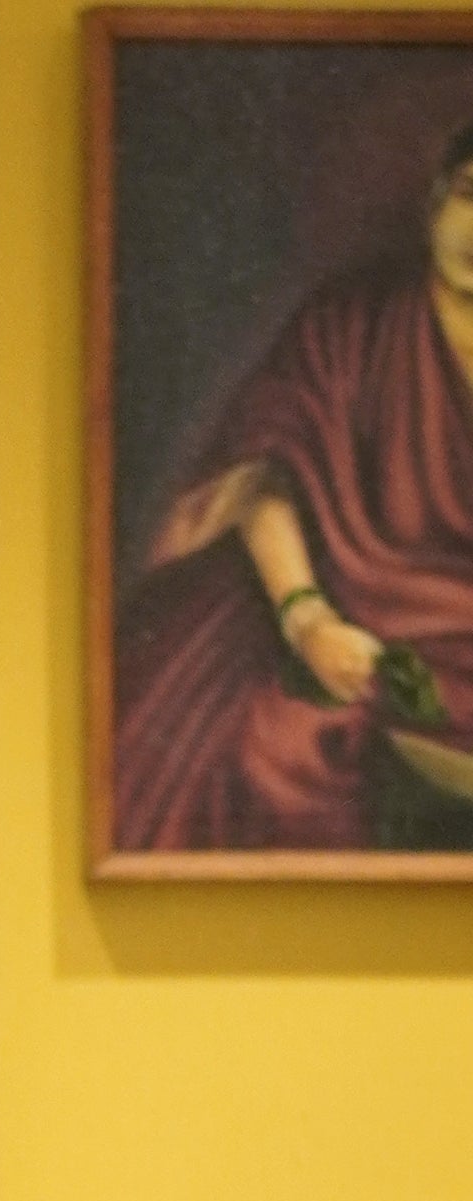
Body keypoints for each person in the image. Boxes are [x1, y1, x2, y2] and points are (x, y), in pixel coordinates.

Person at [113, 115, 473, 855]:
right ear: (438, 202)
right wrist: (307, 618)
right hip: (367, 630)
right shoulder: (352, 325)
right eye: (471, 195)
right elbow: (266, 471)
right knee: (275, 754)